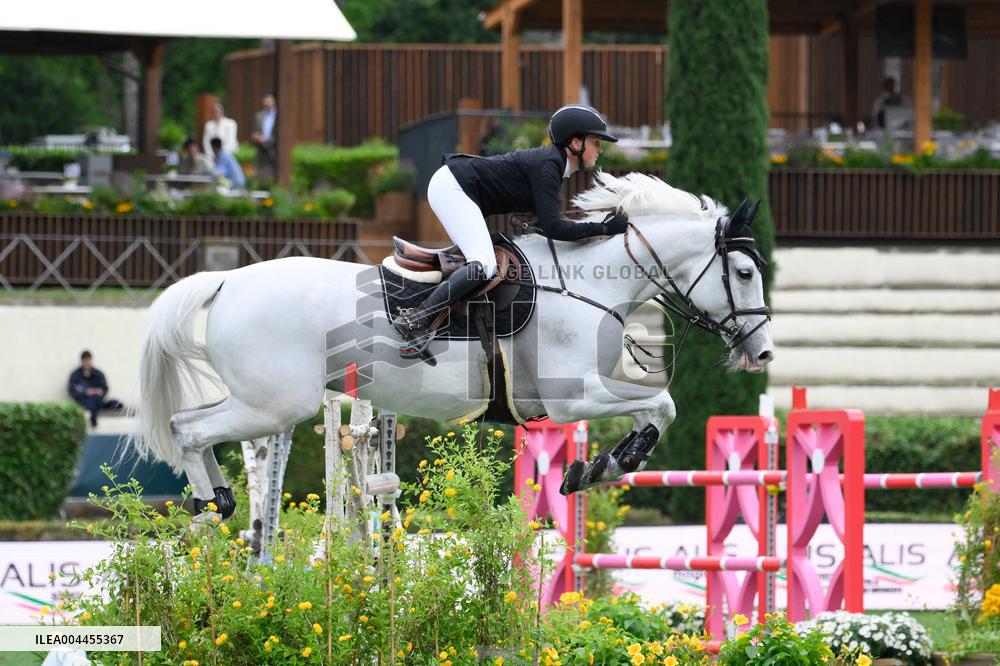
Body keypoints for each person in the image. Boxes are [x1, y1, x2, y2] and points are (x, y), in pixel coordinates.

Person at [391, 104, 629, 358]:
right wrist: (604, 227)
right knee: (484, 264)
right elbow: (554, 227)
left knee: (483, 260)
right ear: (575, 143)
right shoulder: (549, 166)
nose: (600, 149)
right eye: (596, 142)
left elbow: (548, 222)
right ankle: (416, 319)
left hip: (458, 187)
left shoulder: (553, 164)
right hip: (453, 188)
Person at [68, 351, 123, 427]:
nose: (87, 363)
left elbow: (104, 388)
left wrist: (99, 391)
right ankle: (94, 423)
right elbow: (72, 390)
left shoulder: (98, 374)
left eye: (88, 360)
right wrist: (86, 392)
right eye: (85, 360)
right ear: (81, 361)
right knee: (92, 399)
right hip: (82, 401)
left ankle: (89, 413)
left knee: (94, 398)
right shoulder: (75, 375)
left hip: (97, 401)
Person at [251, 93, 278, 182]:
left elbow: (279, 133)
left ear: (274, 102)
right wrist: (257, 137)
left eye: (269, 101)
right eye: (266, 101)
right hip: (261, 149)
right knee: (261, 174)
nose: (267, 103)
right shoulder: (259, 116)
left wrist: (268, 139)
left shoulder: (278, 116)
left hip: (274, 148)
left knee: (274, 173)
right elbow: (255, 131)